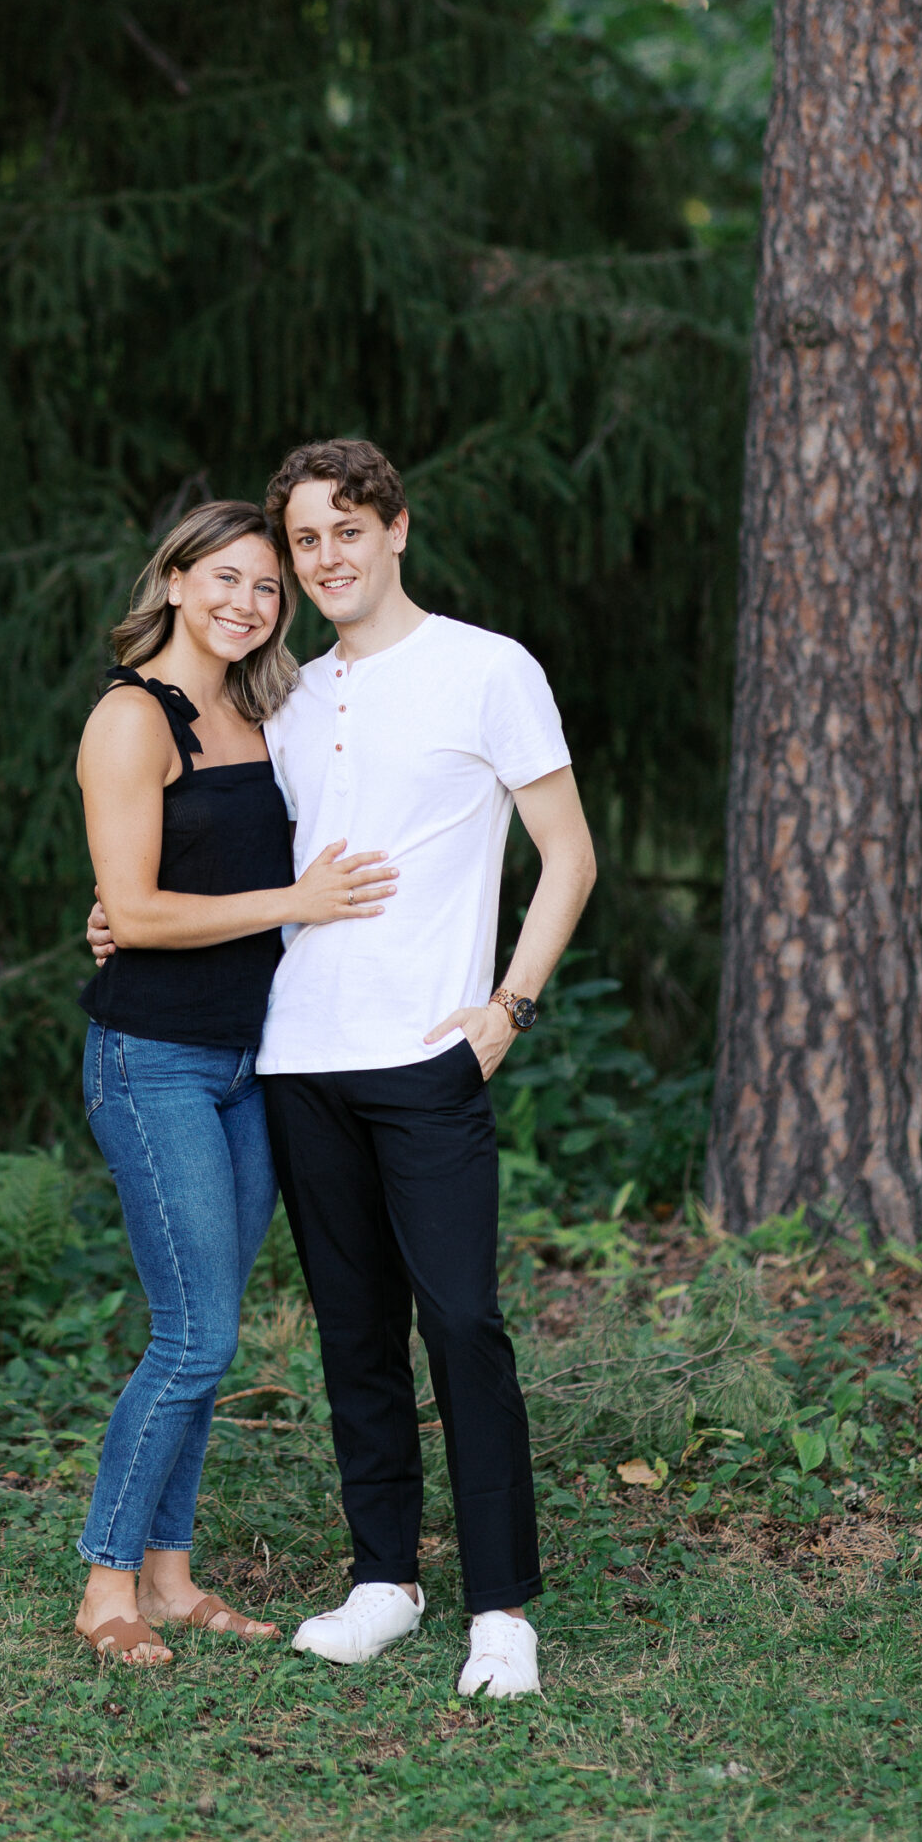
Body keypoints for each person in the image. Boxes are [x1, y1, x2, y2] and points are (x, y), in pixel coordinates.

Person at [90, 439, 595, 1698]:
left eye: (345, 531)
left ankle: (501, 1609)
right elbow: (204, 853)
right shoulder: (286, 697)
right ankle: (384, 1580)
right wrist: (116, 916)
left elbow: (569, 855)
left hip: (430, 1056)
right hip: (296, 1058)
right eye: (303, 541)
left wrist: (509, 1008)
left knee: (463, 1326)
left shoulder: (490, 669)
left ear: (398, 529)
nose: (323, 559)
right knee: (352, 1338)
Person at [72, 498, 400, 1668]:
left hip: (251, 1061)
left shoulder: (265, 708)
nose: (246, 602)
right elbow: (146, 909)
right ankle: (107, 1584)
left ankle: (170, 1575)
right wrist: (290, 905)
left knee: (206, 1333)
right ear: (171, 579)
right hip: (150, 1058)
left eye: (267, 586)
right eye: (224, 576)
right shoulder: (131, 718)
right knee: (197, 1333)